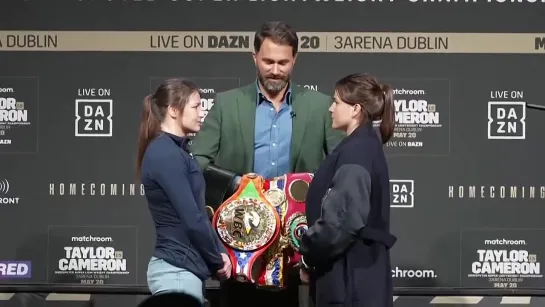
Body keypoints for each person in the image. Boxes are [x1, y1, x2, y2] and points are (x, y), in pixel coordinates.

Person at [190, 21, 345, 307]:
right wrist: (235, 183)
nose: (275, 70)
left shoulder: (320, 106)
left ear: (295, 60)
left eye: (283, 62)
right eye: (268, 61)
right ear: (254, 58)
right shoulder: (226, 105)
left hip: (298, 244)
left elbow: (339, 169)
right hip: (240, 238)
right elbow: (196, 162)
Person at [298, 73, 398, 307]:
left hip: (349, 284)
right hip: (353, 279)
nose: (331, 108)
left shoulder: (357, 151)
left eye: (336, 102)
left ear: (355, 109)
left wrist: (308, 252)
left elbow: (341, 221)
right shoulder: (362, 146)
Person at [136, 79, 232, 305]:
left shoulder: (177, 151)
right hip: (177, 274)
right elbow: (192, 218)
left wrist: (219, 251)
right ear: (173, 110)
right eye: (196, 106)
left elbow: (199, 212)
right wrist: (217, 260)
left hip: (184, 272)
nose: (202, 113)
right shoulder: (165, 154)